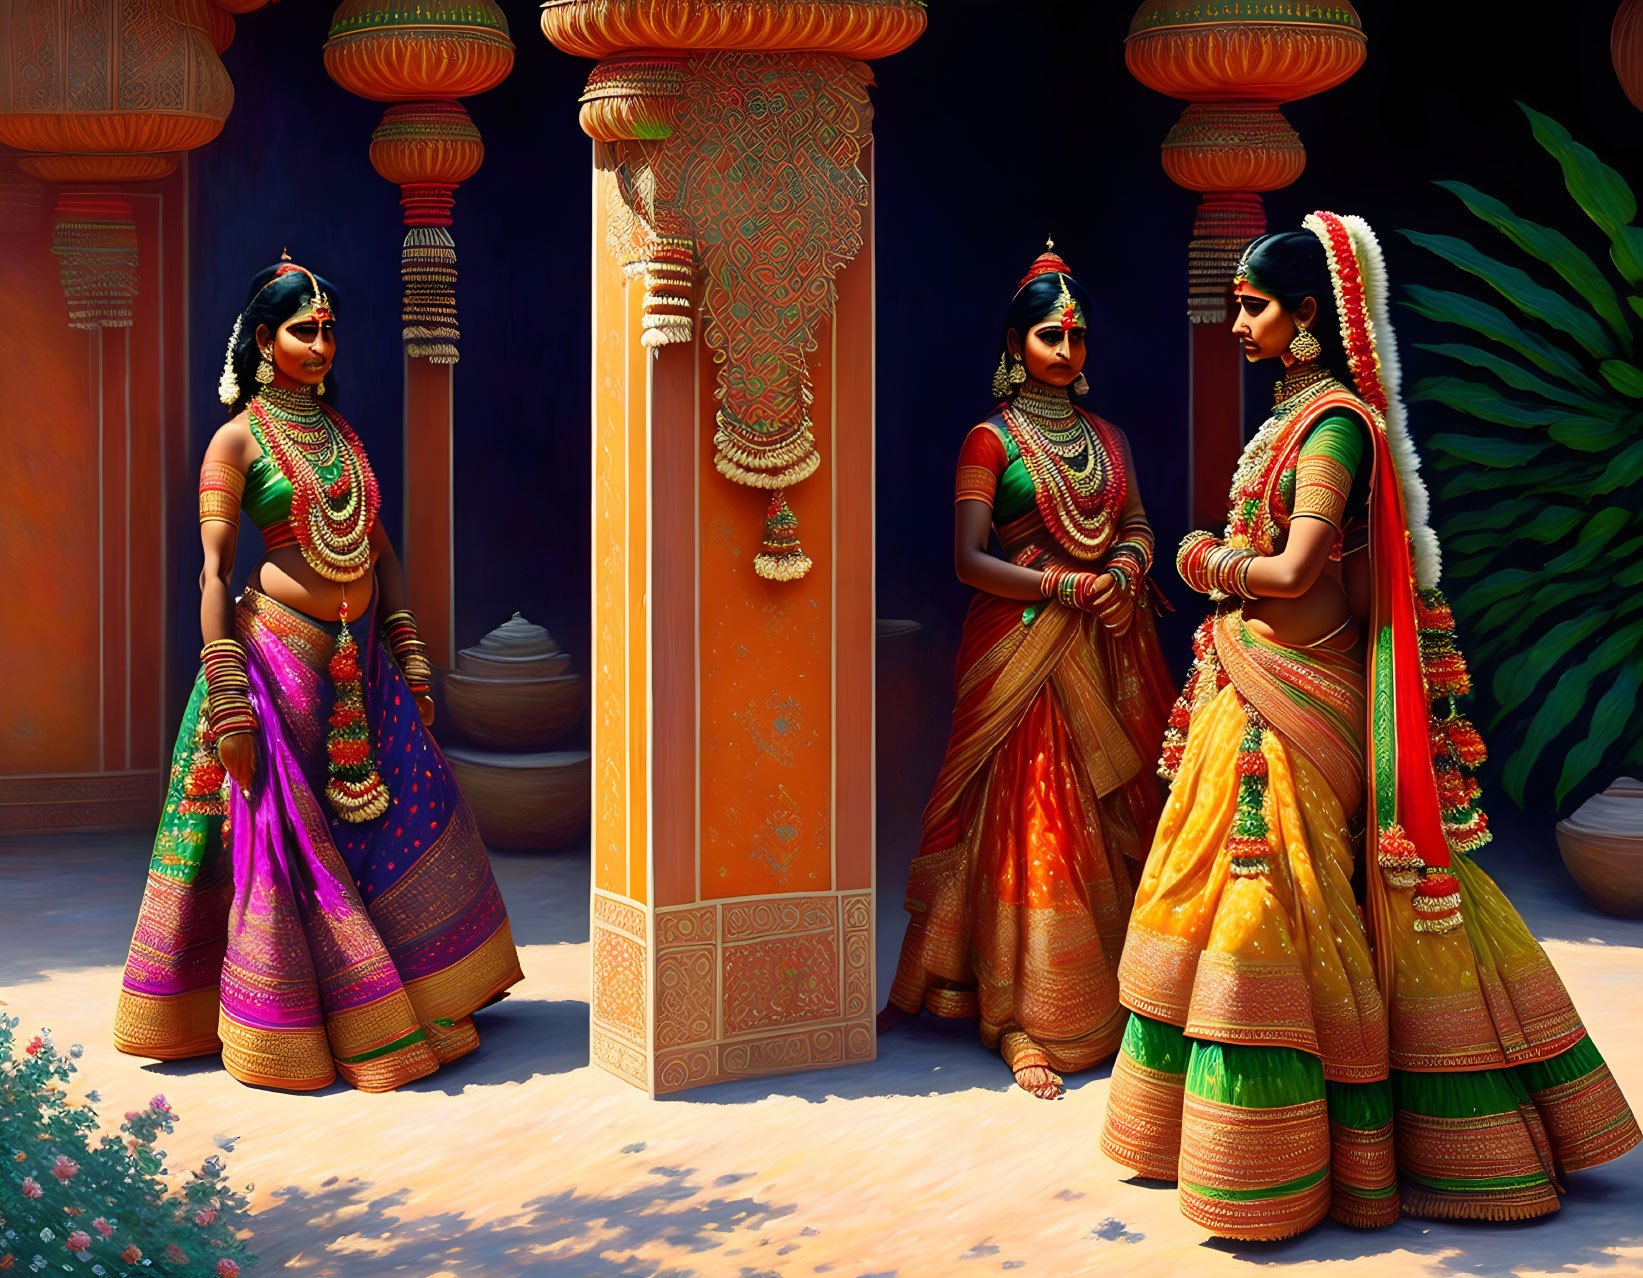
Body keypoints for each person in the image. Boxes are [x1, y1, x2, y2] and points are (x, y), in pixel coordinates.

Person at [1100, 212, 1639, 1238]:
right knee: (1232, 897)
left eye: (1253, 308)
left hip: (1299, 690)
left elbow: (1299, 571)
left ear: (1307, 317)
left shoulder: (1334, 424)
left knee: (1275, 903)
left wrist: (1205, 564)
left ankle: (1288, 1162)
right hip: (1253, 675)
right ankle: (1228, 1140)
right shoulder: (1292, 418)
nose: (1236, 326)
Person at [113, 256, 524, 1092]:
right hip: (274, 660)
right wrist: (227, 695)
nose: (322, 344)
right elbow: (212, 574)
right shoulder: (235, 439)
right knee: (292, 843)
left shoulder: (342, 437)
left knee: (409, 812)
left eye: (330, 330)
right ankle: (304, 1022)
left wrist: (405, 648)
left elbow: (381, 548)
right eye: (305, 330)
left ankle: (432, 988)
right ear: (265, 340)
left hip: (361, 661)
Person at [879, 243, 1175, 1099]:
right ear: (1015, 345)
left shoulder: (1109, 437)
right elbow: (971, 560)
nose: (1065, 352)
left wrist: (1122, 570)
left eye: (1077, 339)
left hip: (1105, 645)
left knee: (1111, 809)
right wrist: (1061, 583)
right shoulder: (989, 438)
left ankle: (1125, 995)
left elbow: (1140, 525)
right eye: (1049, 335)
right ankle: (1022, 1016)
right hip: (1020, 649)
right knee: (1032, 814)